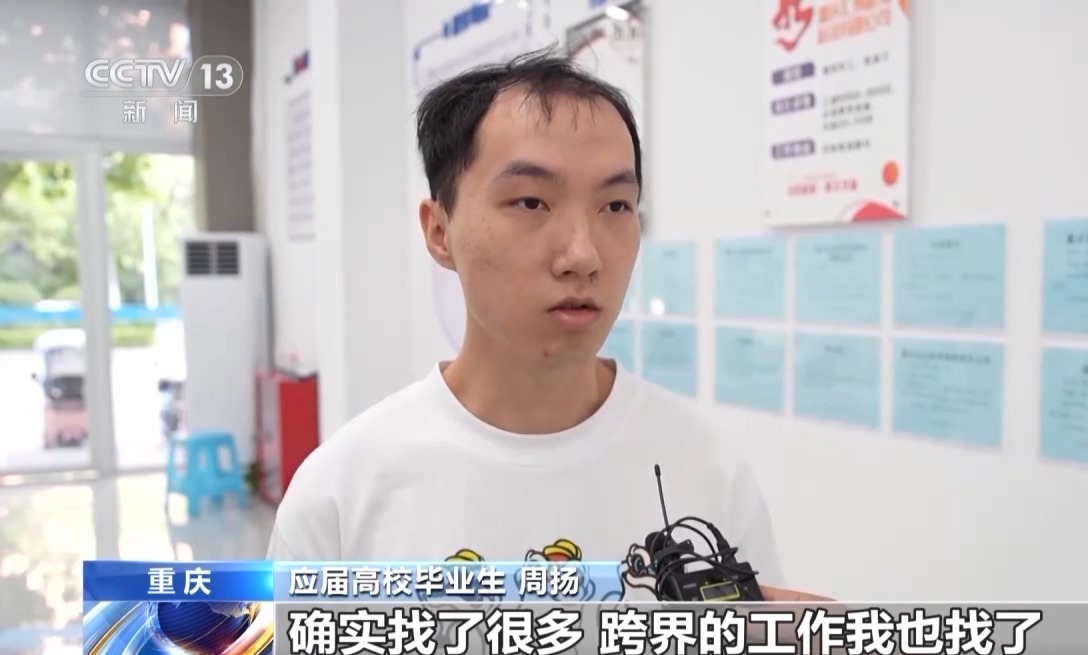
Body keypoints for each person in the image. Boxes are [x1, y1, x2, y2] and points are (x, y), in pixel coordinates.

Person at [266, 48, 828, 602]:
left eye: (615, 206)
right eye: (532, 202)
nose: (583, 255)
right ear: (439, 231)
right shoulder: (340, 495)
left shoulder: (706, 468)